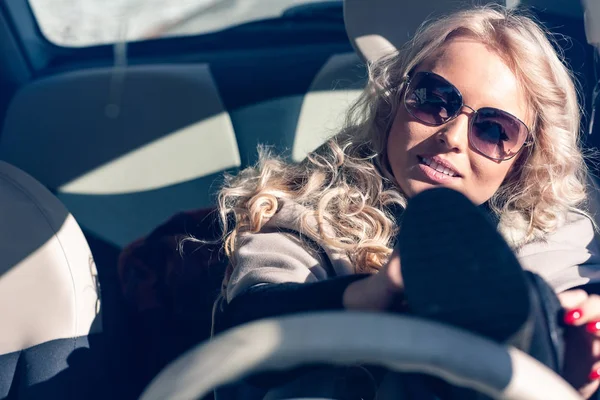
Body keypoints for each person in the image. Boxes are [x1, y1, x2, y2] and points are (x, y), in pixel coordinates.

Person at [210, 5, 600, 399]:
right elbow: (249, 324)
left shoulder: (554, 232)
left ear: (524, 157)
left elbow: (569, 301)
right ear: (395, 102)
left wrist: (574, 370)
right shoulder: (307, 210)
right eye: (434, 100)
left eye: (494, 129)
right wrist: (370, 295)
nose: (452, 136)